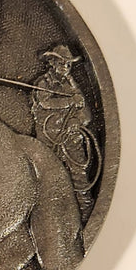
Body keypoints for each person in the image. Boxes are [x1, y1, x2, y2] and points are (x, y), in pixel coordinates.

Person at [31, 45, 94, 220]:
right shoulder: (43, 83)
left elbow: (86, 114)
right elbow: (45, 103)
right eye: (61, 63)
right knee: (48, 182)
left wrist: (77, 121)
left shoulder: (72, 86)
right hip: (49, 141)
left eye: (68, 64)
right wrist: (70, 101)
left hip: (71, 140)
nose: (65, 67)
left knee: (80, 179)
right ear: (52, 62)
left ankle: (86, 216)